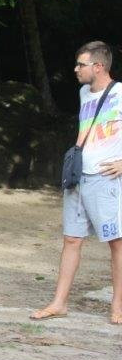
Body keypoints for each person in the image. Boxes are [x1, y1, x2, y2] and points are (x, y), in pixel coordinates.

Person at [33, 40, 122, 325]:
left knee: (116, 243)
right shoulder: (85, 93)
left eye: (81, 65)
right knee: (72, 238)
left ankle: (118, 306)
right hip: (78, 177)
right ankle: (59, 303)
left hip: (105, 179)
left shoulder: (120, 94)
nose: (76, 70)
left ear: (98, 66)